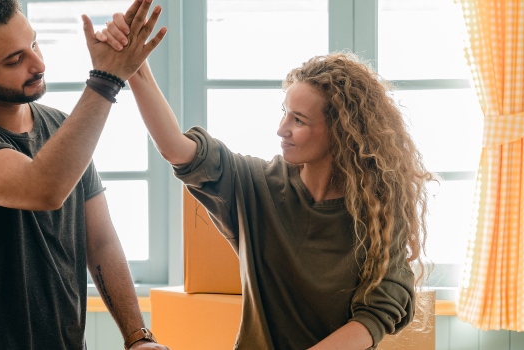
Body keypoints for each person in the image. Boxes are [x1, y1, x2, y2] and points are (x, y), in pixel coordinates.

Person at [98, 12, 433, 350]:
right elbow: (177, 149)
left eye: (298, 120)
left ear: (341, 133)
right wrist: (136, 69)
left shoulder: (377, 211)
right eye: (284, 111)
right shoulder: (256, 185)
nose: (281, 128)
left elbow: (374, 317)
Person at [0, 0, 170, 348]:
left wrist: (138, 337)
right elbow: (42, 189)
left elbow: (101, 240)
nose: (39, 63)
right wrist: (107, 78)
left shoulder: (61, 127)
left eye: (33, 44)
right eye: (14, 60)